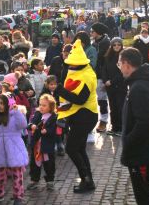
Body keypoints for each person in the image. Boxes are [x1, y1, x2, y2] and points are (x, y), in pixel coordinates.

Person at [118, 47, 149, 205]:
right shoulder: (139, 82)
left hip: (142, 152)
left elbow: (144, 123)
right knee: (144, 192)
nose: (120, 67)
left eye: (120, 64)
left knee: (144, 195)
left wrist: (128, 141)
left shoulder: (139, 87)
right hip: (142, 150)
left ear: (127, 64)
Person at [56, 39, 98, 193]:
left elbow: (81, 99)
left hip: (85, 116)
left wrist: (61, 91)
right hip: (78, 115)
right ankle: (88, 180)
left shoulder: (86, 75)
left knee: (72, 148)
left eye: (72, 64)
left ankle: (86, 179)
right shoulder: (78, 71)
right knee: (79, 149)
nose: (70, 66)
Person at [0, 94, 29, 204]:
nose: (0, 106)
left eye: (2, 103)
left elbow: (23, 124)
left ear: (8, 104)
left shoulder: (15, 115)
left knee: (17, 175)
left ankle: (18, 196)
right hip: (1, 150)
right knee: (0, 174)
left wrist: (16, 112)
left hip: (15, 148)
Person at [102, 37, 127, 136]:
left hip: (120, 86)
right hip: (110, 87)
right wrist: (105, 80)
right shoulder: (108, 56)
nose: (117, 46)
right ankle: (114, 127)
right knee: (113, 107)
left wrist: (111, 81)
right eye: (114, 45)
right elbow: (104, 69)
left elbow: (122, 72)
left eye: (119, 44)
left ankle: (121, 128)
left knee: (120, 107)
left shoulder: (124, 57)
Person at [90, 22, 111, 132]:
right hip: (95, 74)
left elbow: (103, 60)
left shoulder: (106, 43)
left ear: (98, 32)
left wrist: (105, 76)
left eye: (92, 31)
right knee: (98, 98)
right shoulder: (95, 43)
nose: (91, 33)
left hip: (103, 75)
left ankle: (103, 120)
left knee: (102, 98)